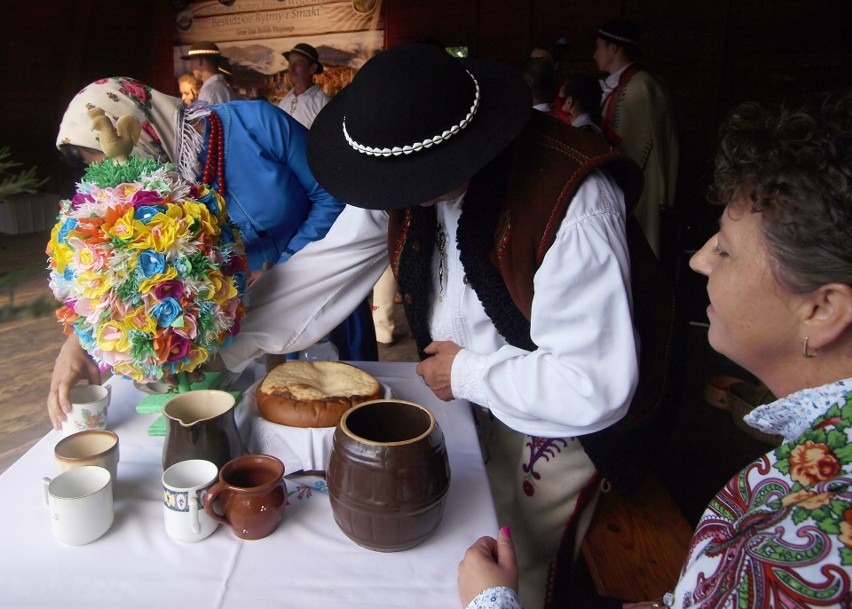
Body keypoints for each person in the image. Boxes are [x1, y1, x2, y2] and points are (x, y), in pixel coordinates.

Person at [215, 44, 678, 609]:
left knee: (516, 556)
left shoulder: (572, 199)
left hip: (563, 418)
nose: (392, 203)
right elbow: (322, 272)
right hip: (464, 387)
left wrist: (470, 373)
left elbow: (593, 384)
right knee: (451, 533)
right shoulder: (403, 167)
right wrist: (220, 342)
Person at [457, 90, 852, 608]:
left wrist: (490, 602)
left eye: (727, 250)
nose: (700, 261)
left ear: (822, 310)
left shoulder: (815, 538)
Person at [48, 76, 351, 426]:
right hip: (245, 316)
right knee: (259, 418)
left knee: (336, 405)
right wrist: (78, 340)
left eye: (116, 154)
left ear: (138, 126)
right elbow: (126, 266)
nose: (120, 172)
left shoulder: (256, 124)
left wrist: (284, 266)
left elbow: (330, 193)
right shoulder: (152, 191)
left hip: (323, 282)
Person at [594, 18, 678, 257]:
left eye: (599, 46)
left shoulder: (641, 87)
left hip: (638, 184)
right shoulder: (624, 86)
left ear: (613, 48)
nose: (594, 54)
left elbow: (638, 146)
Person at [277, 43, 330, 129]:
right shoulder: (285, 101)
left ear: (312, 69)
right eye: (290, 63)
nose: (291, 68)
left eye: (298, 63)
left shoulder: (322, 103)